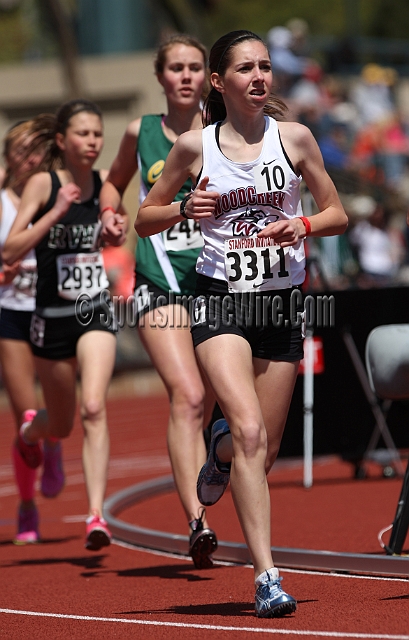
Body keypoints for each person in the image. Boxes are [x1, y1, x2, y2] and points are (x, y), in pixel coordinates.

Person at [136, 30, 348, 617]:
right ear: (219, 82)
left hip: (280, 305)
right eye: (246, 69)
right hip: (220, 302)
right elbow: (143, 219)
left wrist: (300, 227)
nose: (259, 78)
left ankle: (219, 452)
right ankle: (266, 576)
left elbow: (337, 212)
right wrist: (182, 208)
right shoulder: (192, 147)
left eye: (265, 68)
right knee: (251, 429)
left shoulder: (295, 138)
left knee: (262, 446)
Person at [99, 34, 217, 569]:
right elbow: (113, 182)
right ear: (161, 77)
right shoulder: (140, 132)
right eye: (177, 67)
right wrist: (110, 212)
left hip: (219, 284)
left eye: (196, 66)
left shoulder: (228, 132)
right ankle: (197, 520)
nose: (187, 76)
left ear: (209, 76)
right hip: (159, 280)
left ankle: (211, 473)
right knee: (188, 395)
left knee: (217, 404)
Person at [3, 99, 126, 551]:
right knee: (61, 425)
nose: (92, 142)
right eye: (83, 134)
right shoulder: (42, 183)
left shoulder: (106, 184)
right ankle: (31, 431)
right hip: (48, 319)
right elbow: (10, 249)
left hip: (92, 310)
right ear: (62, 141)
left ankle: (96, 515)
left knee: (93, 407)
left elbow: (117, 228)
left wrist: (114, 229)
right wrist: (54, 212)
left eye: (97, 134)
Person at [0, 116, 65, 544]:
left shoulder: (56, 194)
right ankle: (26, 506)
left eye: (34, 149)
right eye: (19, 150)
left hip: (53, 313)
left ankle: (56, 441)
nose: (27, 157)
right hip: (10, 315)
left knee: (59, 415)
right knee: (25, 417)